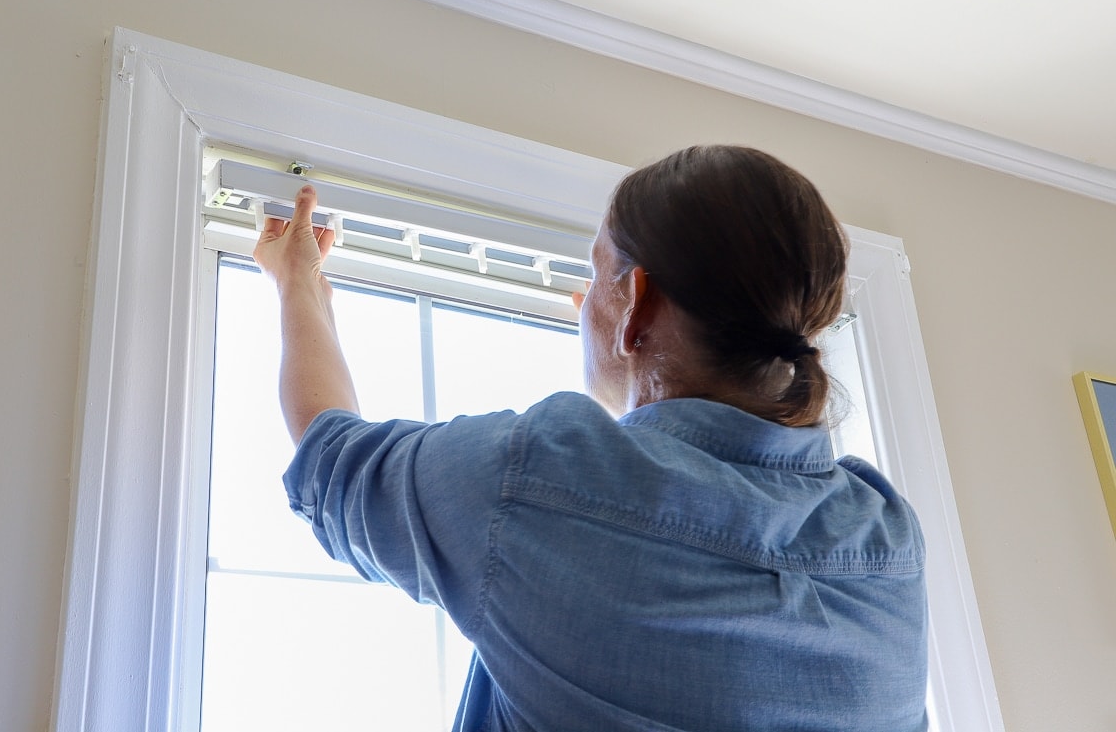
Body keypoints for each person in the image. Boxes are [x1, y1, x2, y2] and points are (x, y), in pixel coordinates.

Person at [253, 145, 929, 732]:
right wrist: (629, 360)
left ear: (637, 298)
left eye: (595, 268)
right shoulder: (889, 539)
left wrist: (297, 281)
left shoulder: (531, 479)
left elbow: (329, 452)